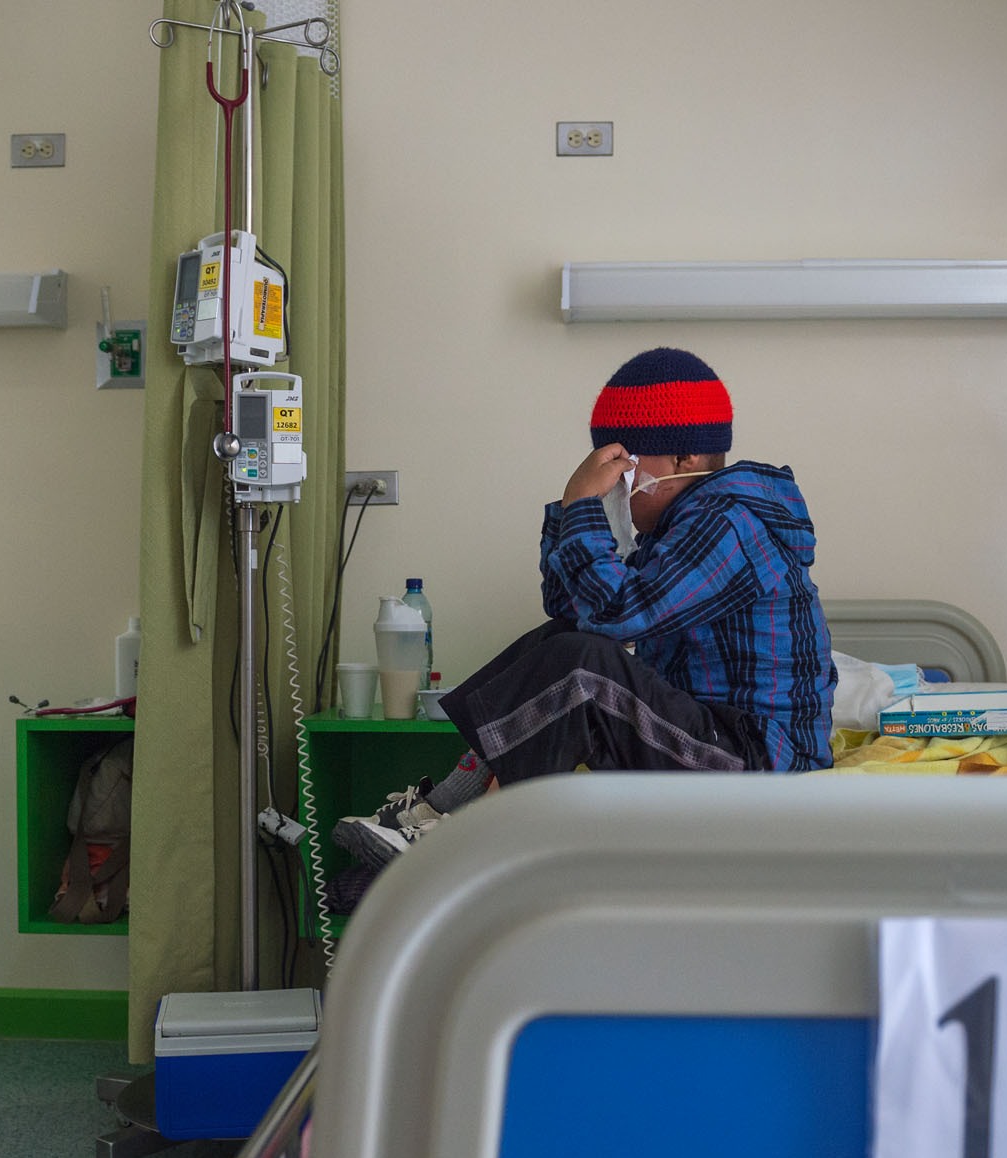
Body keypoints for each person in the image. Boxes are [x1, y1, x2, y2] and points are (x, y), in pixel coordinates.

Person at [333, 346, 836, 872]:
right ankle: (442, 812)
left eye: (625, 468)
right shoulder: (681, 526)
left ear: (685, 459)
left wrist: (580, 509)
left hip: (760, 760)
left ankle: (473, 837)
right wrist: (579, 513)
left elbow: (618, 612)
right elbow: (569, 607)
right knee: (560, 640)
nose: (616, 486)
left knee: (581, 664)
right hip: (708, 733)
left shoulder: (732, 521)